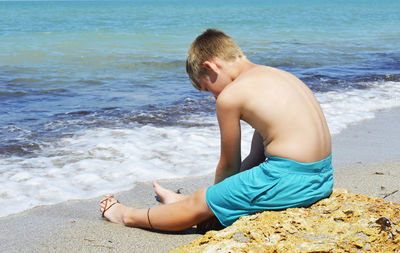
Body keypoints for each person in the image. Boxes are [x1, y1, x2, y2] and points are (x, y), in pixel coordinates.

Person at [100, 29, 333, 231]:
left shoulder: (231, 95)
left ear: (210, 67)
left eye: (208, 89)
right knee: (213, 196)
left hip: (290, 181)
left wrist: (208, 205)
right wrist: (220, 197)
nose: (215, 96)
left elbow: (229, 163)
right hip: (322, 178)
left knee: (202, 201)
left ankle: (125, 215)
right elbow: (256, 155)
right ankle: (182, 202)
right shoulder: (277, 76)